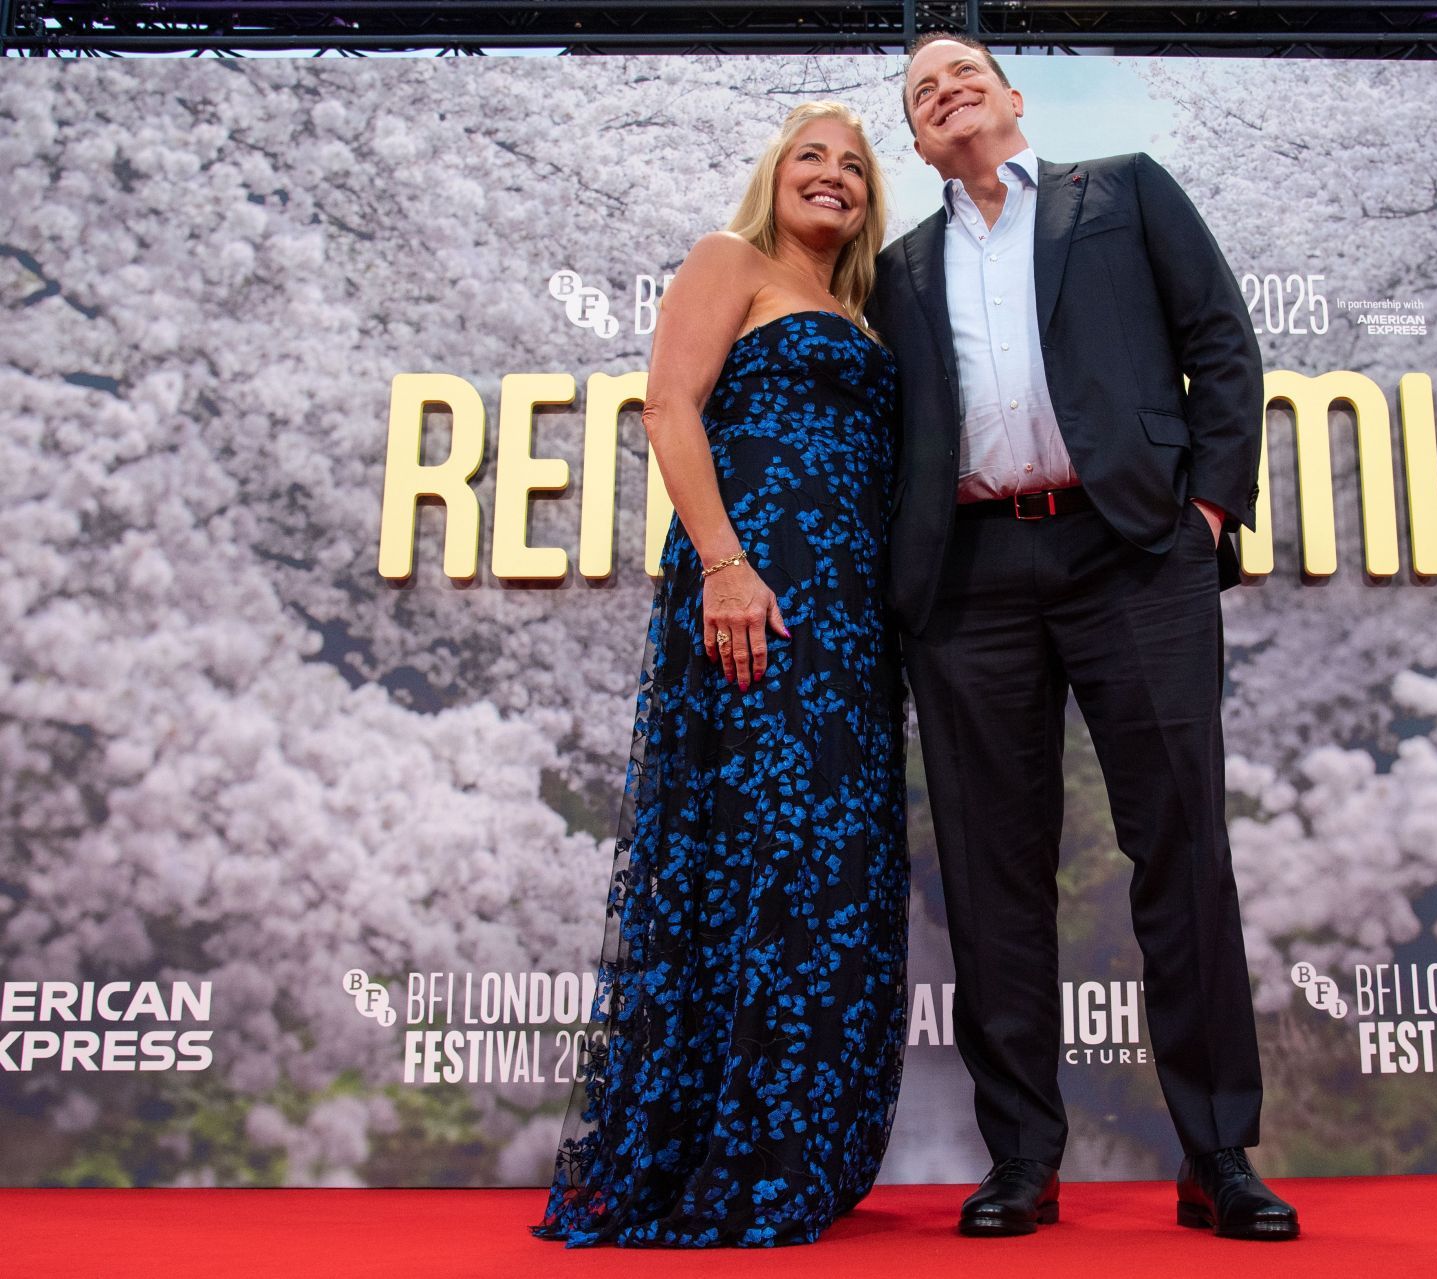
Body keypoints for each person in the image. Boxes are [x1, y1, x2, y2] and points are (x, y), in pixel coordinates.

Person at [865, 35, 1300, 1242]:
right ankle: (1021, 1163)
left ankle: (1220, 1153)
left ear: (1010, 96)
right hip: (971, 581)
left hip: (1132, 557)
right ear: (914, 139)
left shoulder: (1125, 189)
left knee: (1182, 850)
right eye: (919, 93)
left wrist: (1202, 511)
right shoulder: (899, 271)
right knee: (994, 879)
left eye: (962, 72)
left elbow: (1222, 345)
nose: (944, 89)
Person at [533, 101, 907, 1249]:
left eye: (853, 165)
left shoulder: (864, 313)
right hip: (755, 604)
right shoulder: (727, 260)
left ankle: (802, 1150)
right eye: (812, 157)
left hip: (849, 628)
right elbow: (669, 404)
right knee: (753, 859)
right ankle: (725, 1149)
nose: (833, 175)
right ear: (774, 174)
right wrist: (728, 568)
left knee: (833, 878)